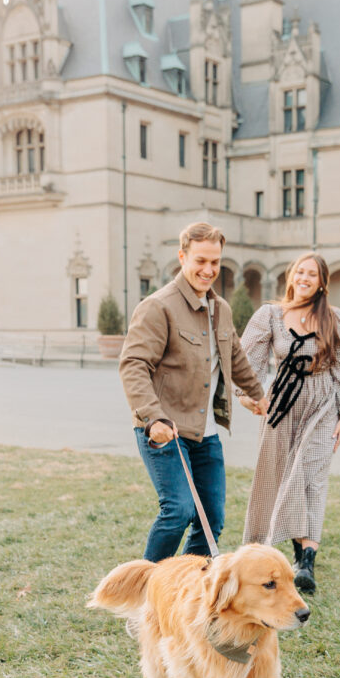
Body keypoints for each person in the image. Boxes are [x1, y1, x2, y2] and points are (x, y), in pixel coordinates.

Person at [119, 223, 267, 562]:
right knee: (179, 510)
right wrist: (153, 417)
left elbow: (235, 357)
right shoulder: (158, 307)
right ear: (182, 256)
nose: (209, 270)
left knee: (211, 519)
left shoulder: (221, 309)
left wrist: (258, 395)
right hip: (165, 429)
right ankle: (145, 595)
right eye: (201, 261)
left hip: (206, 432)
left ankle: (186, 589)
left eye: (215, 262)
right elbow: (133, 365)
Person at [237, 253, 340, 594]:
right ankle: (276, 551)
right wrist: (250, 398)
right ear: (291, 277)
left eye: (312, 274)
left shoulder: (335, 319)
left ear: (322, 283)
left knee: (312, 476)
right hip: (282, 405)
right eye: (299, 271)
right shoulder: (270, 315)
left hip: (322, 403)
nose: (304, 277)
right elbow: (246, 361)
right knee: (279, 477)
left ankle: (307, 562)